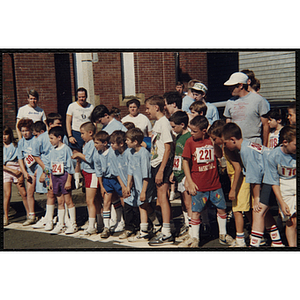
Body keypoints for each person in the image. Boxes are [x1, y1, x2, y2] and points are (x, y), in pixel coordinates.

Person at [222, 122, 284, 247]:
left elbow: (255, 176)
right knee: (263, 212)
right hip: (270, 177)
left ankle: (254, 244)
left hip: (270, 178)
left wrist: (256, 198)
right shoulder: (248, 145)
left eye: (225, 142)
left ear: (232, 140)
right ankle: (277, 241)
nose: (224, 145)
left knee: (258, 210)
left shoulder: (246, 151)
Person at [181, 116, 233, 248]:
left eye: (194, 131)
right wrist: (189, 181)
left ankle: (223, 234)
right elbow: (185, 162)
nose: (191, 133)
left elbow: (219, 155)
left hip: (214, 184)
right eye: (190, 130)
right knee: (196, 211)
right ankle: (195, 237)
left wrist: (213, 142)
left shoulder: (212, 141)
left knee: (221, 209)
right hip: (198, 184)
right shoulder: (189, 142)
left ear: (204, 130)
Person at [208, 120, 251, 247]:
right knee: (247, 210)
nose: (213, 142)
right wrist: (216, 143)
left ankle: (240, 240)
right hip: (236, 180)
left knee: (237, 210)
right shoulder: (224, 147)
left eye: (215, 139)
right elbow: (218, 154)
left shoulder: (229, 149)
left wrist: (233, 189)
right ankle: (257, 232)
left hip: (239, 181)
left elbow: (238, 169)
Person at [145, 95, 175, 246]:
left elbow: (168, 147)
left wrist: (162, 169)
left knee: (163, 197)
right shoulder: (157, 123)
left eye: (148, 108)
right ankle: (166, 227)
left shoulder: (164, 123)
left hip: (162, 164)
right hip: (156, 162)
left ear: (156, 107)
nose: (147, 111)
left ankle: (167, 232)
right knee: (160, 197)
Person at [31, 113, 69, 231]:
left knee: (63, 195)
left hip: (61, 171)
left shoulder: (62, 137)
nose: (60, 125)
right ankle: (49, 219)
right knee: (50, 193)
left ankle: (64, 218)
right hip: (48, 170)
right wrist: (45, 170)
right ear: (50, 124)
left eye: (61, 123)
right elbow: (35, 155)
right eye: (58, 123)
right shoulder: (41, 138)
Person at [263, 125, 296, 247]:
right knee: (291, 221)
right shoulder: (274, 156)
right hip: (284, 185)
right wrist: (281, 202)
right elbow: (274, 181)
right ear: (285, 142)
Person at [71, 122, 103, 235]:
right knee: (96, 200)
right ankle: (99, 223)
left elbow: (89, 159)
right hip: (88, 174)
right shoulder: (88, 143)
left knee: (90, 201)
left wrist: (78, 155)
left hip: (92, 174)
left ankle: (92, 225)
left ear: (90, 132)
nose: (81, 136)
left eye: (82, 133)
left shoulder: (91, 144)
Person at [121, 128, 152, 241]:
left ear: (135, 142)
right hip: (137, 186)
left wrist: (143, 191)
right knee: (144, 206)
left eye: (128, 140)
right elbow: (130, 171)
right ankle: (154, 224)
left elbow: (146, 175)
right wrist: (128, 186)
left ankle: (144, 232)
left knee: (142, 206)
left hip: (143, 186)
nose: (126, 142)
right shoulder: (131, 152)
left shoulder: (143, 154)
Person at [223, 72, 270, 146]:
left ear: (241, 85)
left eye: (232, 86)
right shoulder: (230, 102)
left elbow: (265, 125)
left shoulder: (259, 100)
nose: (229, 89)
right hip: (235, 143)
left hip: (253, 142)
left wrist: (264, 146)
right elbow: (228, 124)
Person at [48, 126, 78, 234]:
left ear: (59, 137)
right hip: (55, 177)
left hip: (64, 176)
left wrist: (69, 181)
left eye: (52, 138)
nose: (50, 141)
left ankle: (73, 224)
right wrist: (51, 181)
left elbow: (70, 167)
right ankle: (61, 224)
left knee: (68, 200)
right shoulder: (52, 150)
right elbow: (51, 167)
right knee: (59, 201)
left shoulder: (66, 149)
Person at [168, 111, 192, 240]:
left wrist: (188, 177)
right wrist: (173, 171)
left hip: (185, 174)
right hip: (178, 172)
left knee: (188, 203)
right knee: (183, 202)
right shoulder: (178, 137)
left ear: (182, 124)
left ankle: (192, 228)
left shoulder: (188, 137)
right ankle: (186, 223)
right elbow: (177, 156)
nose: (172, 129)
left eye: (174, 126)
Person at [66, 87, 94, 189]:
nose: (81, 99)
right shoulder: (72, 106)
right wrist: (70, 136)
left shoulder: (91, 107)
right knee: (76, 157)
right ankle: (77, 180)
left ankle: (85, 177)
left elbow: (93, 122)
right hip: (76, 133)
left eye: (83, 97)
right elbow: (68, 122)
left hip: (88, 134)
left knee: (86, 155)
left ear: (86, 96)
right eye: (79, 97)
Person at [3, 126, 27, 226]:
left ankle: (30, 213)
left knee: (23, 193)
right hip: (7, 169)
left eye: (6, 134)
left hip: (17, 167)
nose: (4, 137)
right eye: (2, 134)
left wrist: (21, 172)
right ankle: (6, 216)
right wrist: (11, 170)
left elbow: (22, 159)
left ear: (10, 135)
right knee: (7, 194)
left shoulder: (16, 145)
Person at [17, 118, 38, 226]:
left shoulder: (36, 139)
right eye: (23, 131)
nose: (25, 133)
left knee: (51, 192)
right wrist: (24, 172)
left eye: (27, 130)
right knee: (29, 193)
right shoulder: (21, 142)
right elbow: (20, 158)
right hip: (29, 171)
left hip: (40, 170)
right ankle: (31, 215)